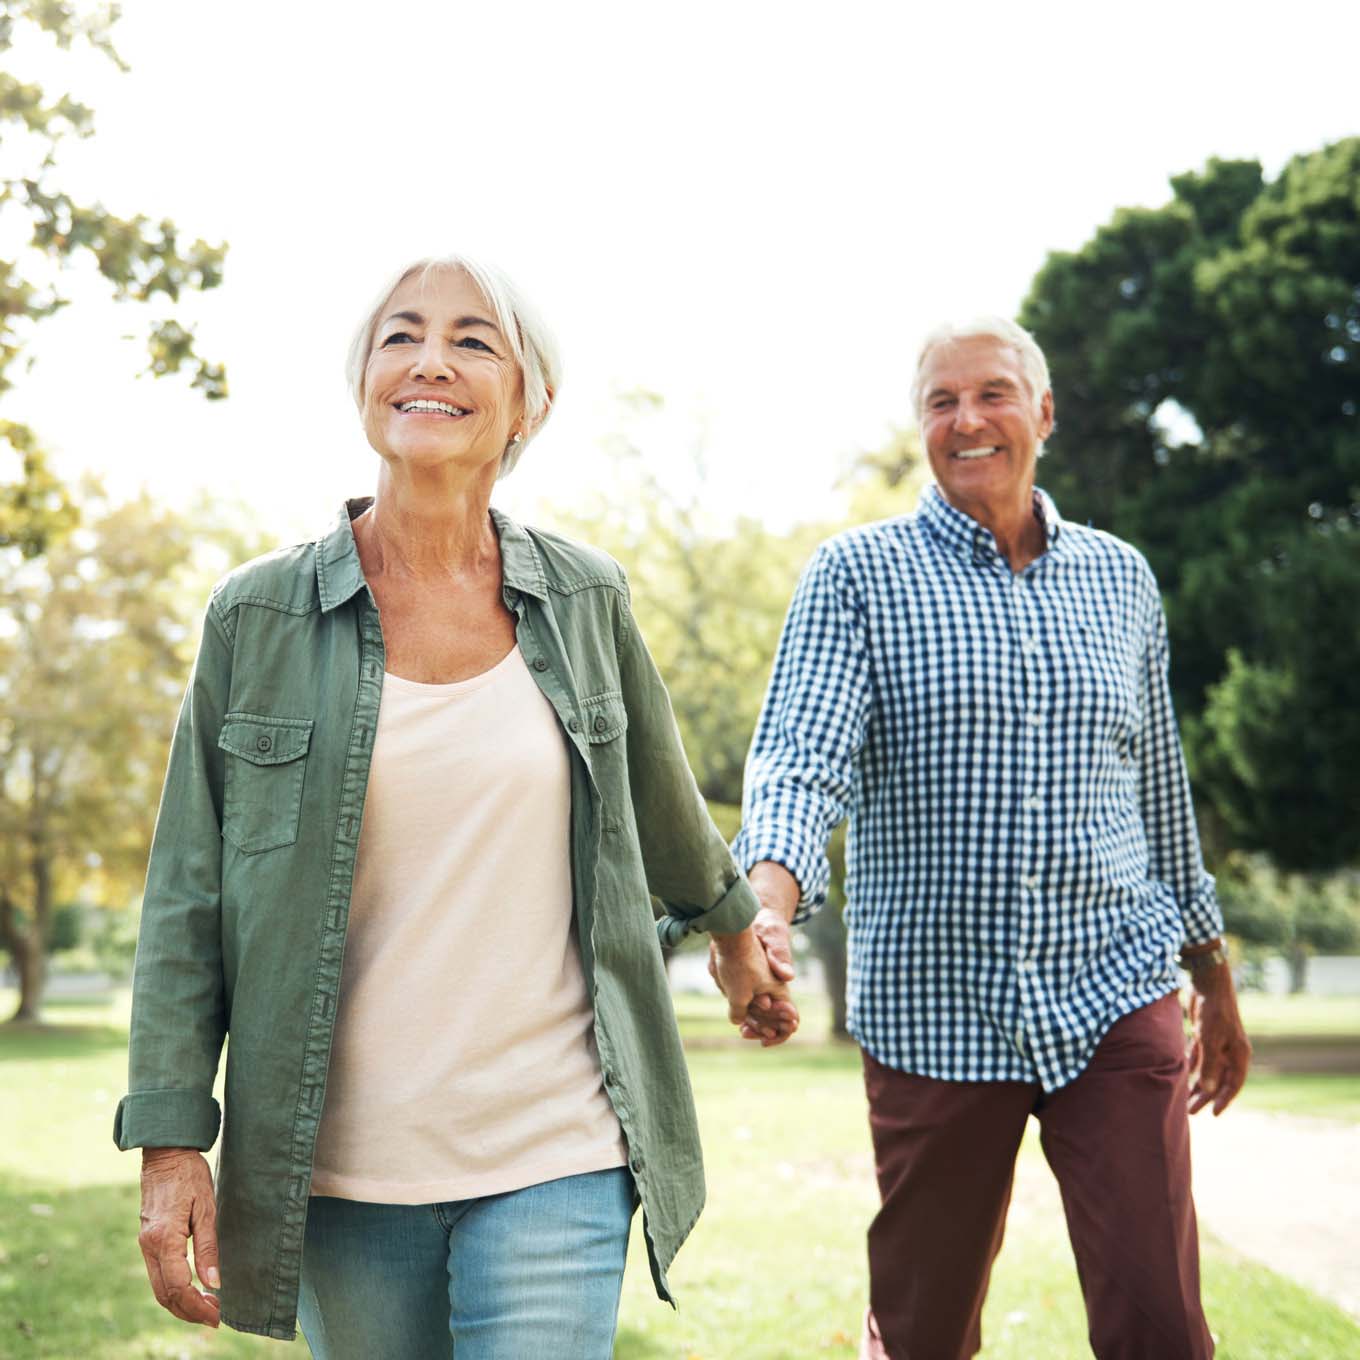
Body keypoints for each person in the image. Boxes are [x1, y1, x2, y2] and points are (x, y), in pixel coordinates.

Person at [115, 253, 796, 1357]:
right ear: (365, 384)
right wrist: (171, 1141)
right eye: (402, 335)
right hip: (337, 1171)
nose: (431, 359)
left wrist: (731, 938)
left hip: (555, 1148)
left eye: (474, 339)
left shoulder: (586, 599)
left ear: (528, 401)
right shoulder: (257, 618)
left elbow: (663, 810)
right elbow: (188, 899)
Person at [728, 317, 1252, 1359]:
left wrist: (1212, 970)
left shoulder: (1119, 580)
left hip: (1115, 986)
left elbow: (1156, 788)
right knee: (925, 1325)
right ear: (920, 424)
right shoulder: (856, 577)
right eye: (940, 401)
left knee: (1159, 1316)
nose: (967, 419)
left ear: (1043, 413)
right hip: (934, 1004)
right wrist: (764, 911)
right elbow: (799, 760)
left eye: (993, 393)